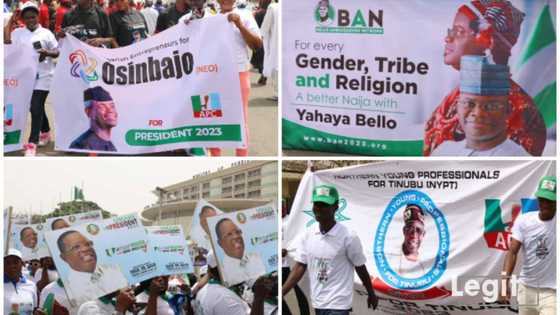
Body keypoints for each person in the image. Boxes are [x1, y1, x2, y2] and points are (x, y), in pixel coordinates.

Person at [424, 0, 546, 156]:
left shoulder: (521, 110)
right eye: (451, 31)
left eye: (459, 31)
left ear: (489, 43)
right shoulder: (451, 102)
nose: (448, 38)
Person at [282, 185, 378, 314]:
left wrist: (371, 293)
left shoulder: (348, 236)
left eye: (324, 205)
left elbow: (360, 267)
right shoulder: (307, 235)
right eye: (316, 204)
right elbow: (300, 266)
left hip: (339, 304)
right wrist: (281, 292)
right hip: (318, 302)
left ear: (336, 207)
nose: (318, 208)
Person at [431, 55, 529, 156]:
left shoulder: (518, 161)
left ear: (508, 111)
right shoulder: (444, 151)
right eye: (469, 103)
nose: (478, 113)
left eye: (491, 106)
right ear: (457, 107)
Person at [206, 0, 262, 157]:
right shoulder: (210, 19)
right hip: (214, 76)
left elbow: (257, 45)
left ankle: (241, 156)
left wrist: (239, 25)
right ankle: (215, 158)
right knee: (213, 119)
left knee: (240, 120)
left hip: (238, 74)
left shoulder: (245, 15)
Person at [4, 1, 59, 156]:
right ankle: (46, 131)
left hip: (43, 76)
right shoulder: (18, 33)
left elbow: (57, 51)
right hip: (24, 77)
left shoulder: (46, 33)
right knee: (35, 106)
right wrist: (10, 22)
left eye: (33, 17)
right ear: (23, 19)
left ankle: (32, 143)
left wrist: (47, 53)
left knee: (35, 106)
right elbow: (6, 42)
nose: (30, 20)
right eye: (27, 18)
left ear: (38, 16)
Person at [499, 176, 556, 315]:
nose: (545, 204)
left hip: (553, 291)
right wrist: (503, 283)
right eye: (542, 199)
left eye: (550, 200)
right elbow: (512, 252)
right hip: (526, 289)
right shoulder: (524, 221)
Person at [57, 230, 128, 303]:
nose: (86, 248)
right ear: (64, 257)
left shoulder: (114, 271)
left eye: (88, 244)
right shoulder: (66, 291)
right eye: (76, 247)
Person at [215, 218, 266, 286]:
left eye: (238, 232)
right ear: (220, 243)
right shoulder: (222, 270)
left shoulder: (256, 257)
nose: (236, 236)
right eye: (229, 234)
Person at [386, 204, 429, 278]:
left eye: (418, 230)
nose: (414, 234)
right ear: (404, 231)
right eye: (410, 228)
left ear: (423, 234)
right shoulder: (391, 259)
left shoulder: (429, 257)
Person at [70, 86, 118, 152]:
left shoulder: (111, 146)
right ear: (89, 112)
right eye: (102, 106)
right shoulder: (81, 146)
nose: (110, 111)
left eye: (112, 106)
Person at [4, 249, 41, 315]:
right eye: (7, 263)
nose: (12, 266)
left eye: (15, 262)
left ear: (22, 264)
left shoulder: (31, 285)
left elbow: (34, 309)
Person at [260, 0, 278, 100]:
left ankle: (277, 93)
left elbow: (265, 26)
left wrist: (261, 36)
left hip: (276, 43)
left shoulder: (273, 7)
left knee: (276, 66)